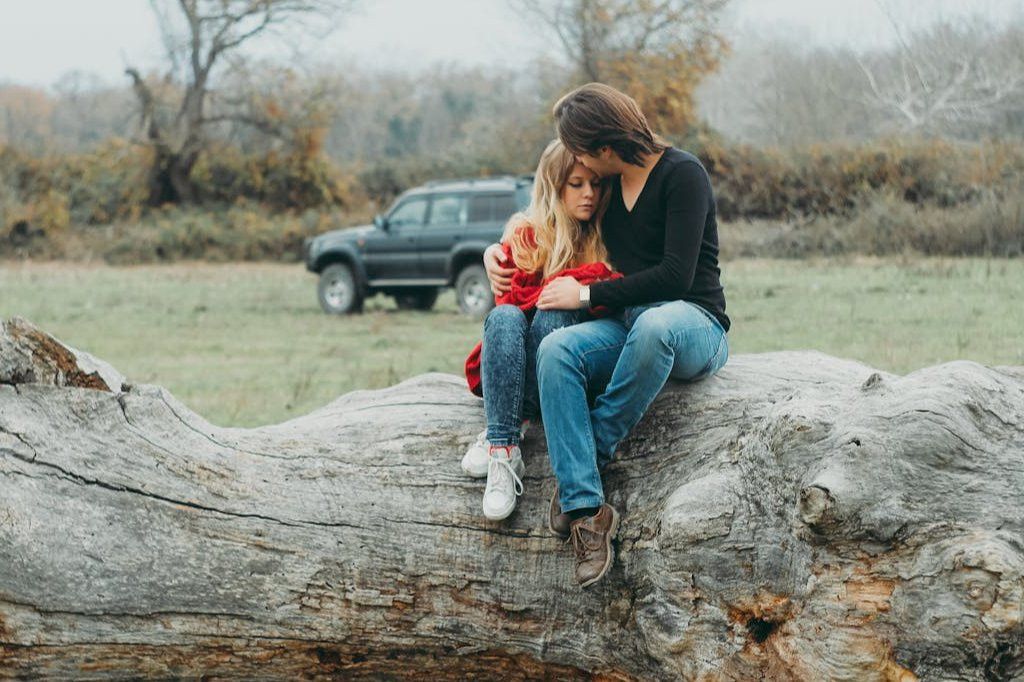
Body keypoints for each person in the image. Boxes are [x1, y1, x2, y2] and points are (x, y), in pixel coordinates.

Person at [484, 83, 731, 588]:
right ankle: (588, 513)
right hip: (627, 322)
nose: (578, 162)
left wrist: (585, 297)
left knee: (654, 325)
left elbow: (676, 276)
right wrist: (497, 251)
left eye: (577, 146)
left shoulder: (683, 175)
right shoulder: (609, 187)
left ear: (602, 145)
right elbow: (548, 222)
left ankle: (587, 457)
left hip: (691, 322)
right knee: (556, 349)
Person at [461, 139, 620, 522]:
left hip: (563, 374)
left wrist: (577, 290)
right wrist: (493, 254)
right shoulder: (526, 235)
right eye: (577, 184)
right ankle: (504, 450)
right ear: (553, 186)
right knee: (503, 318)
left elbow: (615, 291)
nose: (589, 194)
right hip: (516, 364)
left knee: (551, 314)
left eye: (595, 185)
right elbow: (508, 309)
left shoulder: (605, 236)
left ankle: (505, 428)